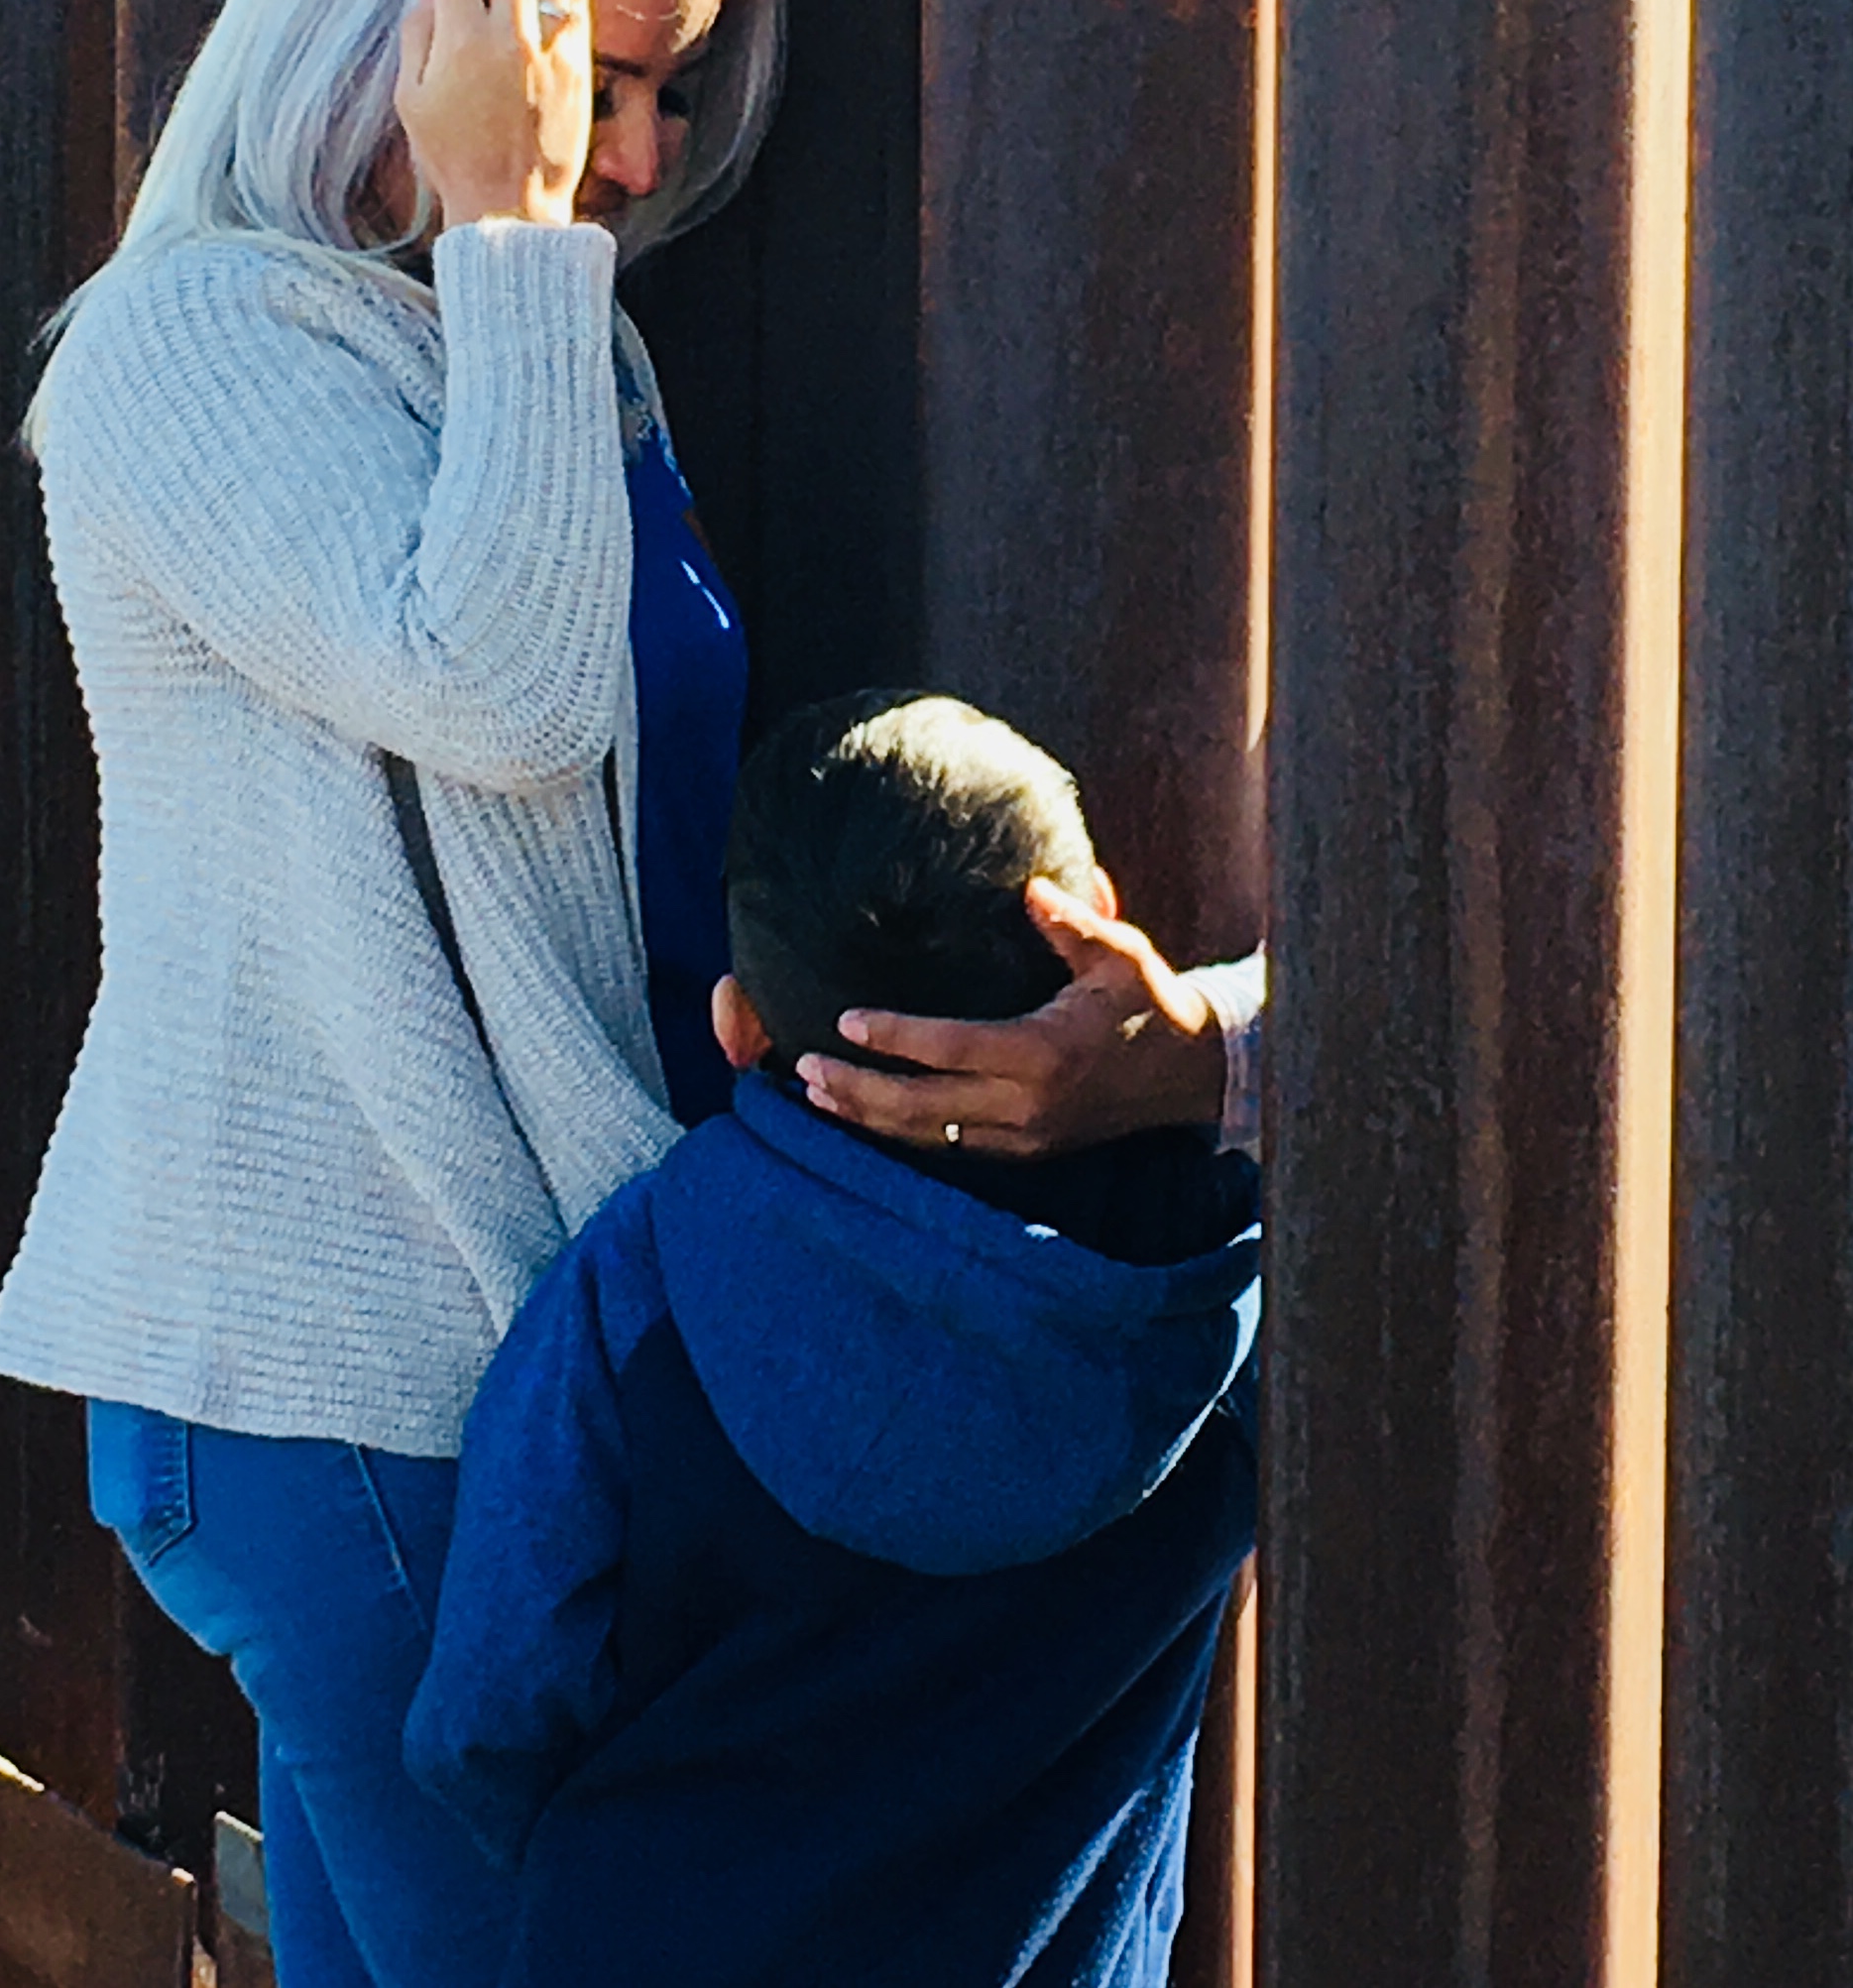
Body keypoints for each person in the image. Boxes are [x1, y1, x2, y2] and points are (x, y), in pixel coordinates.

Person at [0, 0, 1257, 1988]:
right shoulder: (198, 347)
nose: (642, 160)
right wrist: (513, 234)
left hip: (500, 1351)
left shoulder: (538, 339)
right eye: (612, 77)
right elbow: (505, 693)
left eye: (664, 94)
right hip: (353, 1380)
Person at [405, 692, 1262, 1988]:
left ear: (738, 1025)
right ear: (1098, 925)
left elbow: (491, 1699)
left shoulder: (642, 1281)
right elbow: (1387, 1015)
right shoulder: (1214, 1287)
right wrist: (1208, 1048)